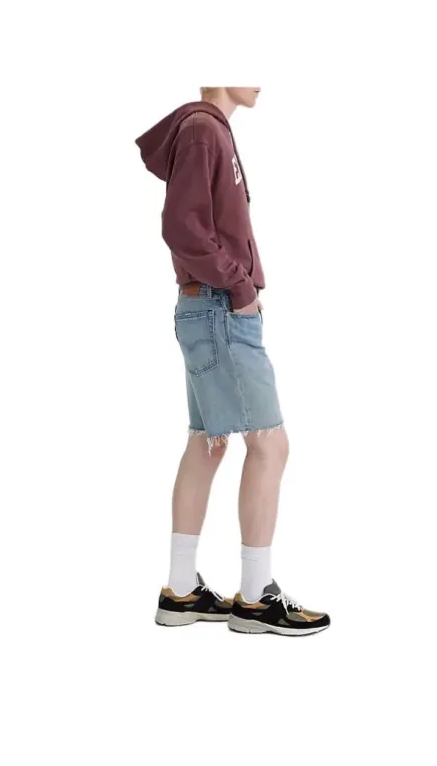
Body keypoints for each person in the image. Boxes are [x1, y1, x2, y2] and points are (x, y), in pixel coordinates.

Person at [135, 87, 330, 636]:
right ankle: (255, 597)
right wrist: (240, 288)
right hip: (219, 308)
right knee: (271, 445)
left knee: (208, 442)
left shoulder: (207, 129)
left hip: (208, 308)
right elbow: (183, 228)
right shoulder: (204, 130)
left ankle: (180, 591)